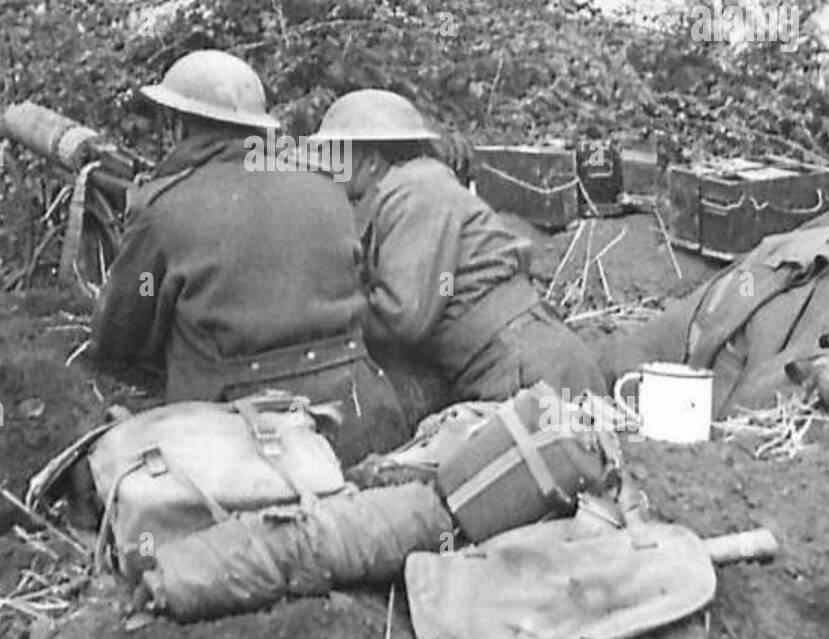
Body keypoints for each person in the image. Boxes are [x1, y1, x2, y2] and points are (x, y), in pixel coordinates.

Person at [90, 51, 409, 464]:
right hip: (358, 420)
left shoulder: (166, 209)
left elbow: (117, 340)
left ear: (176, 124)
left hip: (240, 440)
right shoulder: (327, 189)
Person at [310, 89, 607, 404]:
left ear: (370, 161)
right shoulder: (417, 187)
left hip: (525, 370)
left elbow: (404, 318)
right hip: (529, 360)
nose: (327, 165)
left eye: (334, 153)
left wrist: (328, 310)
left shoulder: (416, 192)